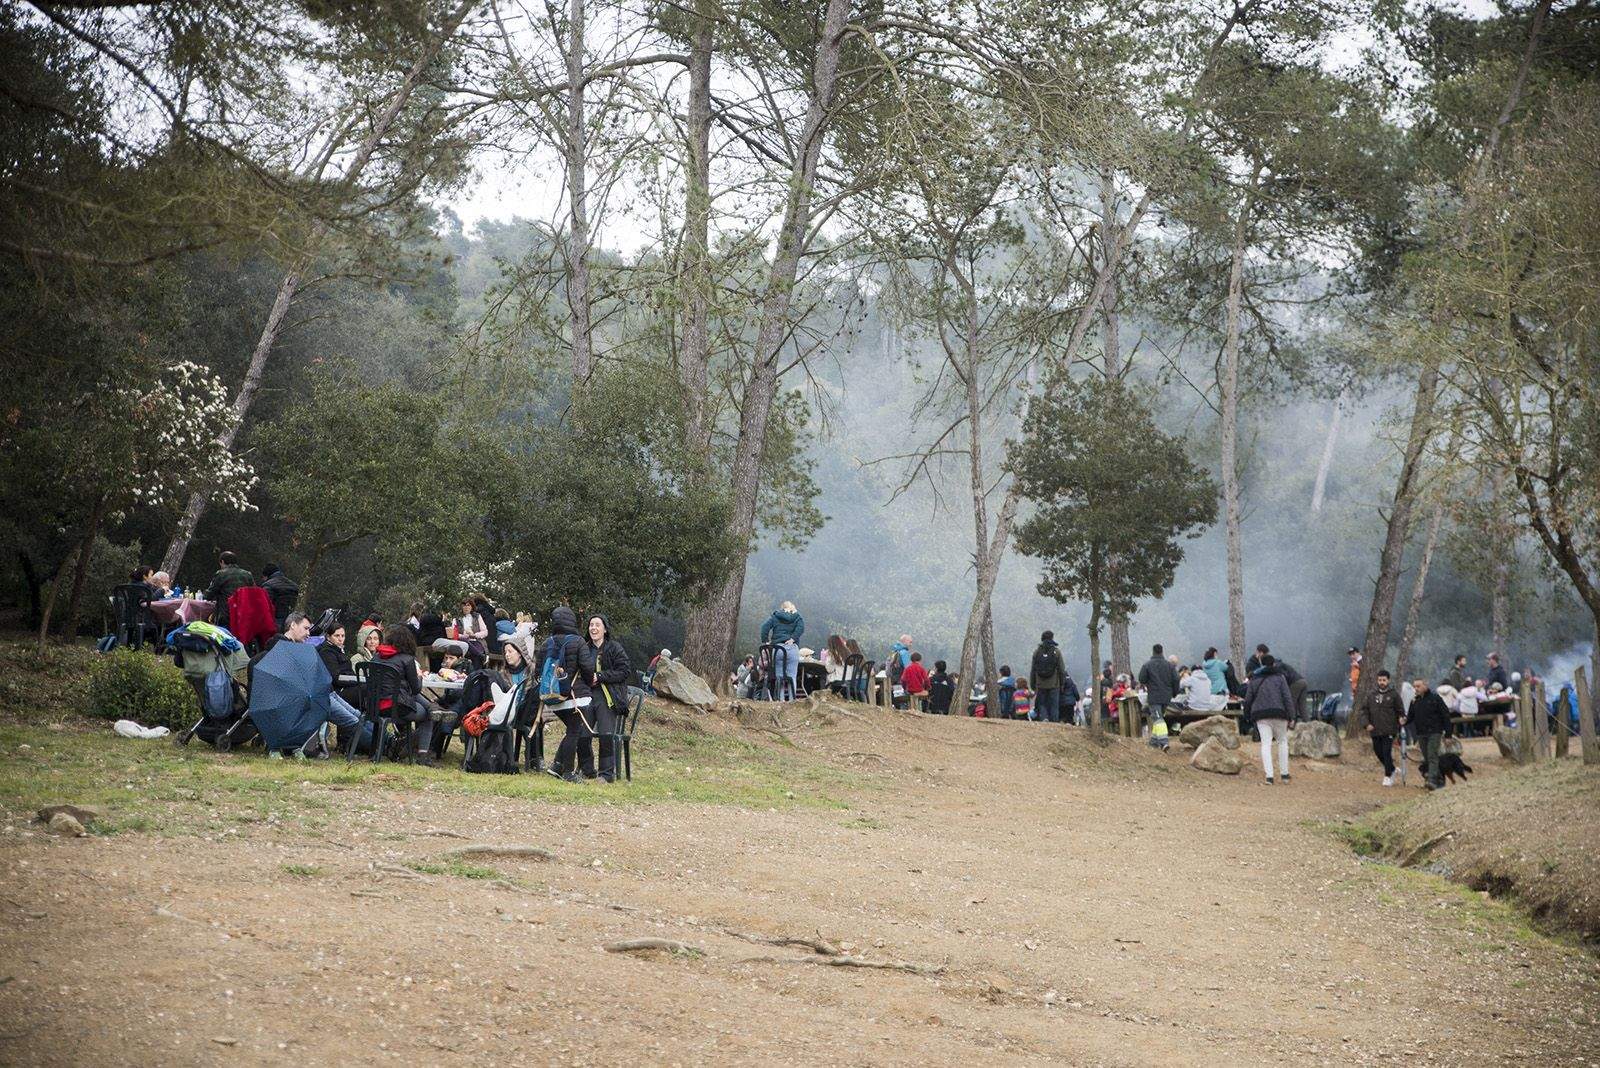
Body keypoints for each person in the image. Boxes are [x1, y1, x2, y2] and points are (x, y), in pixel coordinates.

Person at [373, 624, 448, 766]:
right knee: (428, 716)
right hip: (397, 707)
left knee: (405, 693)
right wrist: (419, 675)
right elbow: (416, 689)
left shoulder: (376, 657)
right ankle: (422, 756)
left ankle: (433, 708)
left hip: (375, 706)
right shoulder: (406, 659)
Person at [541, 604, 598, 781]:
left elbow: (538, 672)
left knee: (572, 731)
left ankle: (557, 766)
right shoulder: (578, 641)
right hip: (575, 697)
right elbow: (588, 669)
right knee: (574, 731)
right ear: (572, 621)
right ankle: (568, 772)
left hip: (553, 698)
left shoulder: (546, 642)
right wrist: (588, 684)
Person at [580, 614, 631, 783]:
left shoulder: (614, 648)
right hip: (587, 695)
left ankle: (606, 774)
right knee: (582, 733)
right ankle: (587, 770)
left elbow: (624, 671)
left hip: (608, 696)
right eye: (591, 625)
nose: (593, 628)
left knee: (606, 734)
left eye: (597, 625)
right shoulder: (584, 648)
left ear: (605, 629)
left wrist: (600, 676)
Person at [1243, 654, 1294, 784]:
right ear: (1274, 664)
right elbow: (1287, 698)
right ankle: (1284, 774)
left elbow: (1248, 699)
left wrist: (1247, 715)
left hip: (1261, 715)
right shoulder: (1281, 678)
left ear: (1261, 664)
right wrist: (1291, 715)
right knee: (1282, 742)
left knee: (1266, 744)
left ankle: (1269, 776)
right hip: (1279, 714)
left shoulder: (1254, 679)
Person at [1356, 669, 1404, 786]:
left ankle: (1388, 776)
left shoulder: (1394, 695)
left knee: (1386, 752)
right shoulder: (1371, 695)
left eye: (1384, 680)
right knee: (1378, 752)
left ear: (1388, 680)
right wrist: (1366, 724)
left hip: (1389, 729)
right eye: (1379, 680)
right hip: (1375, 729)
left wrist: (1402, 718)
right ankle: (1392, 768)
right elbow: (1364, 711)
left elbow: (1400, 710)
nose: (1381, 682)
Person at [1408, 678, 1451, 790]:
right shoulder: (1414, 701)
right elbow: (1410, 718)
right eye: (1414, 686)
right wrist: (1402, 721)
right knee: (1427, 757)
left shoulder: (1435, 698)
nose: (1416, 689)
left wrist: (1448, 734)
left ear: (1425, 686)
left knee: (1432, 755)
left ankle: (1432, 781)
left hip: (1435, 732)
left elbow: (1446, 715)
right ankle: (1440, 779)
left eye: (1418, 686)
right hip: (1421, 733)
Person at [759, 601, 805, 700]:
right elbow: (801, 628)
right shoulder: (797, 617)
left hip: (778, 649)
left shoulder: (776, 616)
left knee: (779, 676)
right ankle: (792, 700)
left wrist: (766, 641)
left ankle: (781, 700)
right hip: (792, 649)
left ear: (782, 608)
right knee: (792, 676)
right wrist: (793, 638)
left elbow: (764, 627)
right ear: (792, 607)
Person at [1137, 644, 1179, 747]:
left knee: (1158, 719)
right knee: (1158, 718)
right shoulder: (1170, 666)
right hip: (1166, 697)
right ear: (1162, 652)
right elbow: (1176, 679)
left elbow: (1141, 679)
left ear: (1153, 651)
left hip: (1154, 697)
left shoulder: (1147, 665)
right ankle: (1154, 742)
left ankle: (1164, 742)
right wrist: (1174, 693)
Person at [204, 551, 255, 628]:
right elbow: (254, 593)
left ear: (222, 562)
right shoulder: (248, 575)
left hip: (226, 614)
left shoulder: (221, 574)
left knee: (225, 636)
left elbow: (209, 595)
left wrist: (204, 594)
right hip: (244, 613)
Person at [1029, 630, 1067, 723]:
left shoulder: (1037, 652)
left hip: (1040, 684)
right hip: (1054, 684)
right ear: (1052, 638)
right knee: (1054, 705)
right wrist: (1062, 683)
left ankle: (1044, 719)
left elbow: (1033, 670)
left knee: (1042, 704)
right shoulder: (1056, 651)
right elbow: (1062, 669)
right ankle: (1054, 723)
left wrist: (1032, 684)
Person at [261, 564, 299, 629]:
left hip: (275, 621)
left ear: (266, 575)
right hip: (293, 620)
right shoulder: (294, 586)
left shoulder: (268, 586)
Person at [454, 598, 489, 664]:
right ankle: (481, 656)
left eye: (468, 605)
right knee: (465, 644)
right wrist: (464, 635)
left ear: (472, 607)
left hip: (477, 641)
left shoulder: (477, 616)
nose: (466, 607)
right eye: (464, 605)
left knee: (475, 654)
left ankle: (477, 669)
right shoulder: (456, 618)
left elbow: (485, 632)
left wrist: (475, 635)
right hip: (464, 641)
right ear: (461, 607)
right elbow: (454, 634)